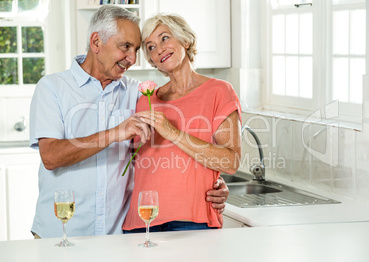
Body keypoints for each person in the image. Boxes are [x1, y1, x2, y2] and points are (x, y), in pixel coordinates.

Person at [29, 5, 228, 239]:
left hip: (117, 235)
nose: (132, 59)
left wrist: (211, 180)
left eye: (136, 50)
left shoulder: (138, 93)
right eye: (125, 47)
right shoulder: (52, 88)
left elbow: (163, 151)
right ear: (96, 43)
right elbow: (51, 157)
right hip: (61, 230)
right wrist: (115, 132)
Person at [123, 13, 241, 233]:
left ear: (185, 40)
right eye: (150, 47)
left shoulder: (219, 91)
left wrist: (173, 133)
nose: (158, 49)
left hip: (192, 219)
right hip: (142, 219)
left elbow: (231, 162)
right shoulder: (145, 100)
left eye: (165, 38)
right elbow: (135, 164)